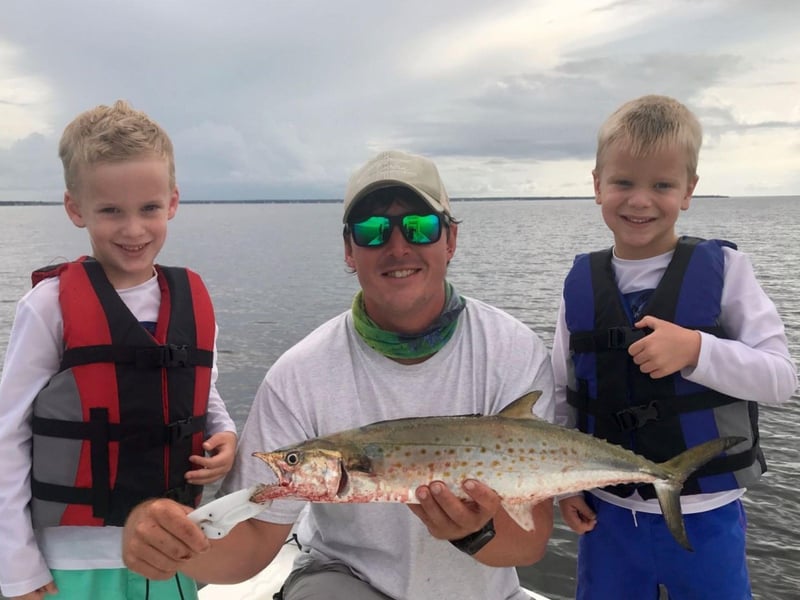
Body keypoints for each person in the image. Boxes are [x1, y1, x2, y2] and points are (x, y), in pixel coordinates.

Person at [121, 149, 556, 599]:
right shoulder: (300, 375)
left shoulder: (511, 349)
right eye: (372, 231)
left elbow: (530, 542)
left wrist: (475, 532)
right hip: (345, 580)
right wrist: (165, 541)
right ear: (349, 250)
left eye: (420, 227)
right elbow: (251, 542)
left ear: (450, 240)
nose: (398, 247)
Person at [542, 95, 798, 599]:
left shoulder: (727, 272)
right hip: (606, 514)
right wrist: (566, 483)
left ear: (689, 191)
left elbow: (780, 379)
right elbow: (560, 393)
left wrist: (698, 351)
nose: (641, 201)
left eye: (662, 185)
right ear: (596, 185)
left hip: (707, 513)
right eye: (623, 183)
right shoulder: (580, 283)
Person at [0, 100, 238, 600]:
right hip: (72, 562)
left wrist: (225, 434)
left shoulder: (192, 300)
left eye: (149, 208)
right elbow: (8, 436)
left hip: (171, 549)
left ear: (172, 202)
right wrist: (17, 566)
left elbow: (205, 392)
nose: (133, 230)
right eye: (111, 211)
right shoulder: (49, 308)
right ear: (75, 208)